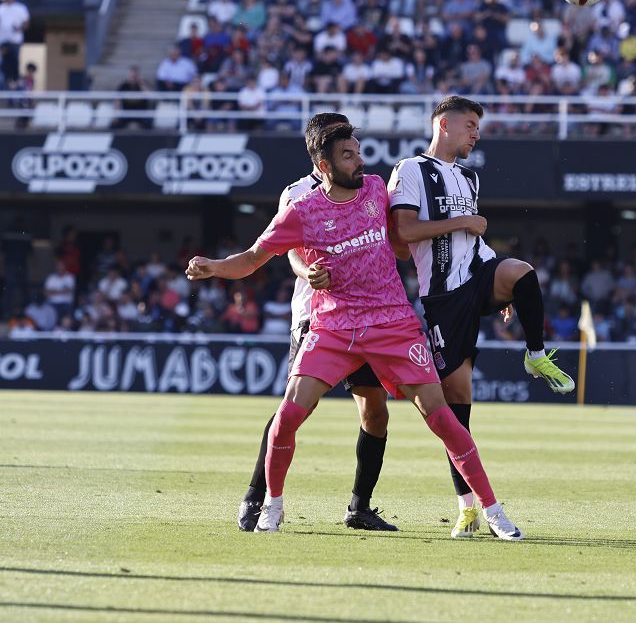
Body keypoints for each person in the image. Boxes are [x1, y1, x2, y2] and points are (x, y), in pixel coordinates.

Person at [188, 120, 523, 540]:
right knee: (289, 413)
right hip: (334, 326)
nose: (359, 161)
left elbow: (404, 238)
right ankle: (271, 503)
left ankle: (491, 510)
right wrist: (215, 268)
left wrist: (489, 284)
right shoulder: (301, 210)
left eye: (359, 152)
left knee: (441, 419)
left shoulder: (376, 190)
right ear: (323, 164)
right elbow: (255, 257)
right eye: (349, 155)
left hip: (392, 323)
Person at [388, 95, 574, 539]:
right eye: (470, 125)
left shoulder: (468, 177)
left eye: (477, 127)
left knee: (524, 274)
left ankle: (533, 353)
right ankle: (468, 507)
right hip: (443, 299)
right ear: (444, 124)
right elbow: (405, 232)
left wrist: (501, 285)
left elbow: (475, 243)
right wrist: (463, 224)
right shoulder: (411, 170)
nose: (476, 134)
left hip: (476, 279)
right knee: (457, 411)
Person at [236, 113, 400, 534]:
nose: (354, 152)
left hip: (364, 316)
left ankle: (359, 506)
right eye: (344, 143)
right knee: (292, 411)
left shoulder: (364, 186)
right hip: (315, 314)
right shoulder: (296, 193)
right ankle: (257, 497)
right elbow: (282, 246)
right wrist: (306, 271)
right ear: (321, 150)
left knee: (375, 413)